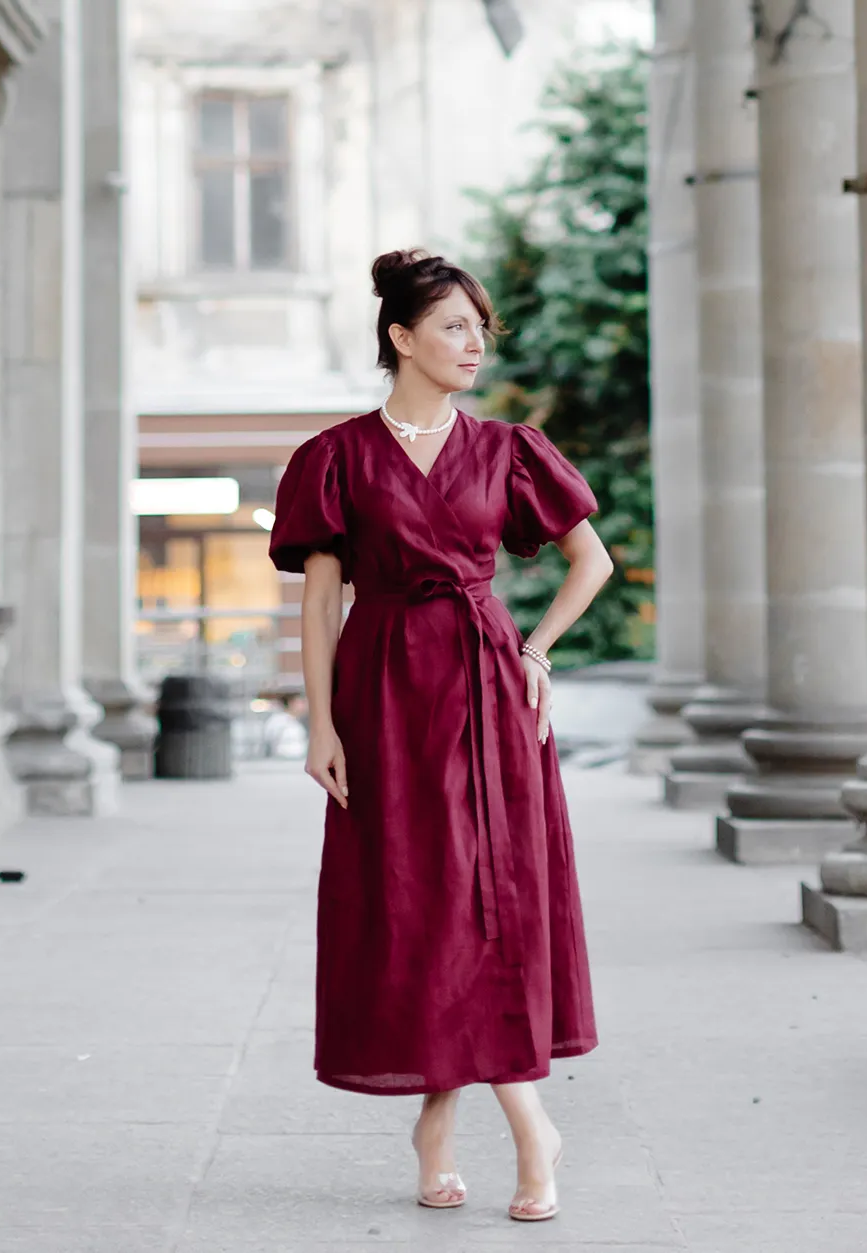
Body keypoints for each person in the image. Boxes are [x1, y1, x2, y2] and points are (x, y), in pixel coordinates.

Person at [267, 249, 613, 1222]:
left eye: (479, 328)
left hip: (487, 691)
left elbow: (591, 560)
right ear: (401, 337)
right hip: (383, 696)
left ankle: (519, 1126)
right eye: (455, 326)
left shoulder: (508, 449)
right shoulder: (336, 456)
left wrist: (535, 649)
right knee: (416, 905)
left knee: (490, 900)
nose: (474, 344)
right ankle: (449, 1121)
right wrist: (320, 723)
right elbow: (321, 601)